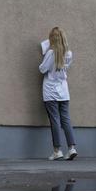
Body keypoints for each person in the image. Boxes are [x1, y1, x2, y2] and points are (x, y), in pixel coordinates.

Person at [39, 27, 78, 161]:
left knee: (55, 120)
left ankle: (57, 150)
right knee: (66, 119)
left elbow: (42, 69)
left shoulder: (51, 53)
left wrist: (45, 54)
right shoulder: (69, 54)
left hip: (50, 90)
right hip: (63, 90)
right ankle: (72, 148)